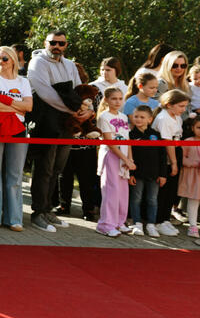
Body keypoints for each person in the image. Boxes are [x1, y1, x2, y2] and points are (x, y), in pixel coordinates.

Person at [26, 30, 87, 233]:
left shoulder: (70, 65)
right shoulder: (37, 63)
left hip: (67, 124)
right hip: (45, 122)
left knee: (57, 168)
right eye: (53, 42)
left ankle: (48, 209)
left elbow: (79, 89)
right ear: (45, 43)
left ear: (66, 45)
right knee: (44, 168)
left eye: (61, 43)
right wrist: (74, 109)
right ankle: (38, 212)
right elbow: (46, 94)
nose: (57, 46)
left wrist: (84, 108)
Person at [0, 46, 32, 231]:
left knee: (15, 175)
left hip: (17, 128)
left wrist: (5, 102)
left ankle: (14, 218)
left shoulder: (23, 82)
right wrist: (16, 107)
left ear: (13, 60)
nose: (1, 62)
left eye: (5, 59)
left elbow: (29, 106)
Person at [94, 87, 133, 237]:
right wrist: (124, 159)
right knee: (111, 191)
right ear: (107, 100)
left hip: (123, 156)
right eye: (114, 98)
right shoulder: (104, 117)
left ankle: (119, 222)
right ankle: (105, 224)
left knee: (123, 191)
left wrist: (130, 158)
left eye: (119, 98)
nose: (117, 102)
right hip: (111, 156)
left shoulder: (123, 117)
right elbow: (110, 142)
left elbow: (127, 140)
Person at [153, 89, 190, 235]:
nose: (183, 109)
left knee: (171, 191)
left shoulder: (177, 118)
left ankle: (165, 219)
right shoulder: (163, 118)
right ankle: (158, 221)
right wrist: (173, 163)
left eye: (185, 106)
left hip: (176, 154)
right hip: (165, 158)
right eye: (181, 106)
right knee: (163, 190)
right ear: (169, 105)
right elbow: (167, 143)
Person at [128, 105, 167, 237]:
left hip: (154, 174)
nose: (138, 119)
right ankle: (137, 223)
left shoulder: (155, 135)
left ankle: (151, 224)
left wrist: (163, 174)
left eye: (142, 117)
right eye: (136, 116)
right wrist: (131, 174)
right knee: (136, 199)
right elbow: (129, 157)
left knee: (152, 200)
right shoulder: (130, 135)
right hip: (137, 174)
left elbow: (162, 156)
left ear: (150, 119)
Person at [178, 115, 200, 238]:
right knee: (193, 200)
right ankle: (192, 226)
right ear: (192, 128)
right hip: (193, 176)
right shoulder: (188, 142)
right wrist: (193, 163)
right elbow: (182, 159)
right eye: (198, 127)